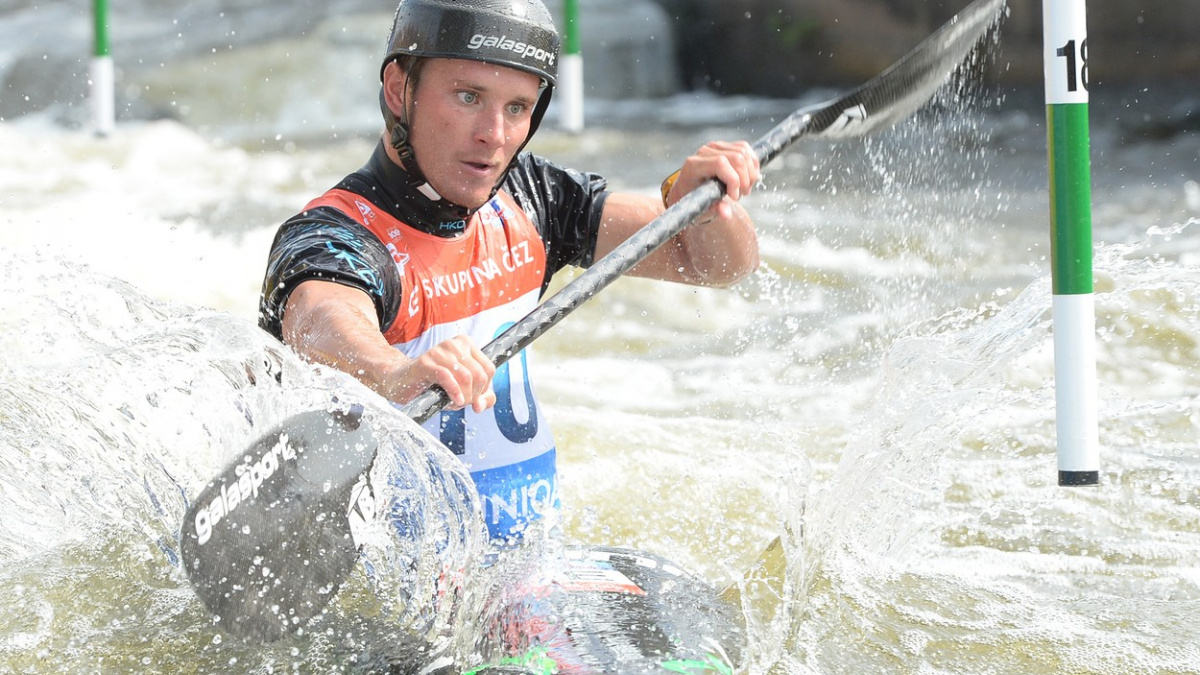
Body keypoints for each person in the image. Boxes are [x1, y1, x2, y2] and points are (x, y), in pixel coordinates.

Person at [258, 0, 760, 546]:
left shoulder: (532, 198)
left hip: (527, 571)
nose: (494, 135)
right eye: (468, 96)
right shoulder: (335, 236)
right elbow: (318, 320)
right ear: (400, 89)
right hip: (397, 584)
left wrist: (705, 209)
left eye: (518, 107)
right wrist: (394, 373)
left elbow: (710, 264)